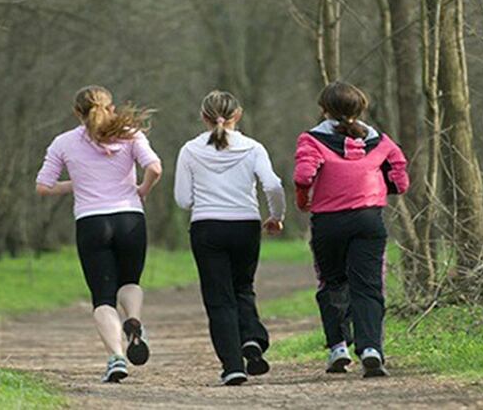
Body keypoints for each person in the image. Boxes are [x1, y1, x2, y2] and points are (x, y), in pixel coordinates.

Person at [35, 85, 162, 383]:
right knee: (130, 282)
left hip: (92, 222)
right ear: (111, 107)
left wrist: (75, 184)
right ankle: (134, 321)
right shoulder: (131, 133)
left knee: (103, 299)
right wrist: (142, 189)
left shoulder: (63, 142)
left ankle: (116, 358)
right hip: (130, 219)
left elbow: (43, 186)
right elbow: (155, 168)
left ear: (77, 112)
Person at [293, 81, 409, 378]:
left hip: (328, 222)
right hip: (369, 220)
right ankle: (371, 349)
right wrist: (387, 185)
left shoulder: (312, 139)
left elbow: (304, 175)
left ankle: (338, 348)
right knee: (368, 286)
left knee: (332, 283)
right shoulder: (379, 140)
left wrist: (303, 200)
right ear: (360, 108)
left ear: (324, 110)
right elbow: (400, 177)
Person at [174, 90, 286, 386]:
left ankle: (233, 365)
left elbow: (183, 200)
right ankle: (251, 337)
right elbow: (273, 185)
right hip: (245, 226)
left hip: (207, 227)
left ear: (203, 117)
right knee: (243, 287)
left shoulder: (190, 150)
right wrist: (276, 216)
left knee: (218, 297)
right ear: (238, 115)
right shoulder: (253, 148)